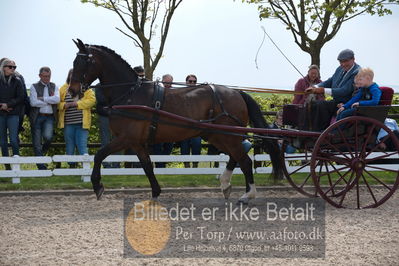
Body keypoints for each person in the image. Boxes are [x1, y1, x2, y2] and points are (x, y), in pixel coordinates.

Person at [305, 49, 361, 131]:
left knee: (322, 105)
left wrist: (323, 90)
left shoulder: (357, 72)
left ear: (353, 59)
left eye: (346, 61)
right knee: (315, 104)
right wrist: (315, 87)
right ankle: (312, 129)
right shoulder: (339, 69)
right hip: (336, 102)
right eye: (341, 62)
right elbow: (330, 81)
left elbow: (345, 90)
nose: (343, 64)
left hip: (347, 103)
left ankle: (322, 131)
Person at [58, 69, 96, 168]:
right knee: (69, 146)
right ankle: (72, 167)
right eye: (72, 75)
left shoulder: (85, 88)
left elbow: (92, 100)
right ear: (69, 76)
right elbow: (57, 103)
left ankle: (86, 167)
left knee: (82, 145)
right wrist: (64, 105)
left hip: (82, 123)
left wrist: (76, 103)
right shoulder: (63, 89)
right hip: (68, 123)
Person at [29, 67, 60, 170]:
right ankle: (41, 166)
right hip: (37, 117)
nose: (47, 78)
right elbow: (33, 102)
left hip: (49, 118)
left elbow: (57, 99)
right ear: (40, 76)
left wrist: (42, 99)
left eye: (49, 76)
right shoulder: (33, 86)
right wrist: (49, 101)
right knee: (37, 143)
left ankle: (41, 155)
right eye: (45, 76)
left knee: (48, 138)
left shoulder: (54, 86)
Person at [0, 59, 24, 170]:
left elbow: (21, 97)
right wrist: (2, 106)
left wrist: (9, 105)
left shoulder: (17, 81)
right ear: (3, 67)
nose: (13, 69)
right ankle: (7, 167)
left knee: (14, 140)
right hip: (0, 114)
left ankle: (16, 166)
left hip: (13, 114)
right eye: (10, 67)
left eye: (14, 67)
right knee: (3, 141)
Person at [95, 84, 121, 168]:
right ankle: (106, 164)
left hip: (116, 116)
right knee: (105, 141)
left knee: (117, 141)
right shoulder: (99, 86)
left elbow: (120, 98)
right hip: (104, 116)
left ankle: (116, 164)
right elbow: (101, 99)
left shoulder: (117, 85)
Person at [179, 74, 202, 168]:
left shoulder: (200, 95)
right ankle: (186, 166)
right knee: (184, 146)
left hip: (196, 127)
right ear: (186, 82)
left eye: (194, 82)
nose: (192, 83)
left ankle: (195, 166)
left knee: (197, 144)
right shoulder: (180, 94)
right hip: (183, 126)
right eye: (190, 81)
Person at [152, 74, 174, 167]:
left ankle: (163, 164)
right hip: (158, 124)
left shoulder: (175, 93)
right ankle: (159, 165)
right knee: (157, 145)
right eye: (166, 82)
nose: (168, 85)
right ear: (162, 81)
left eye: (170, 83)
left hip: (171, 125)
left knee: (169, 145)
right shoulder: (157, 92)